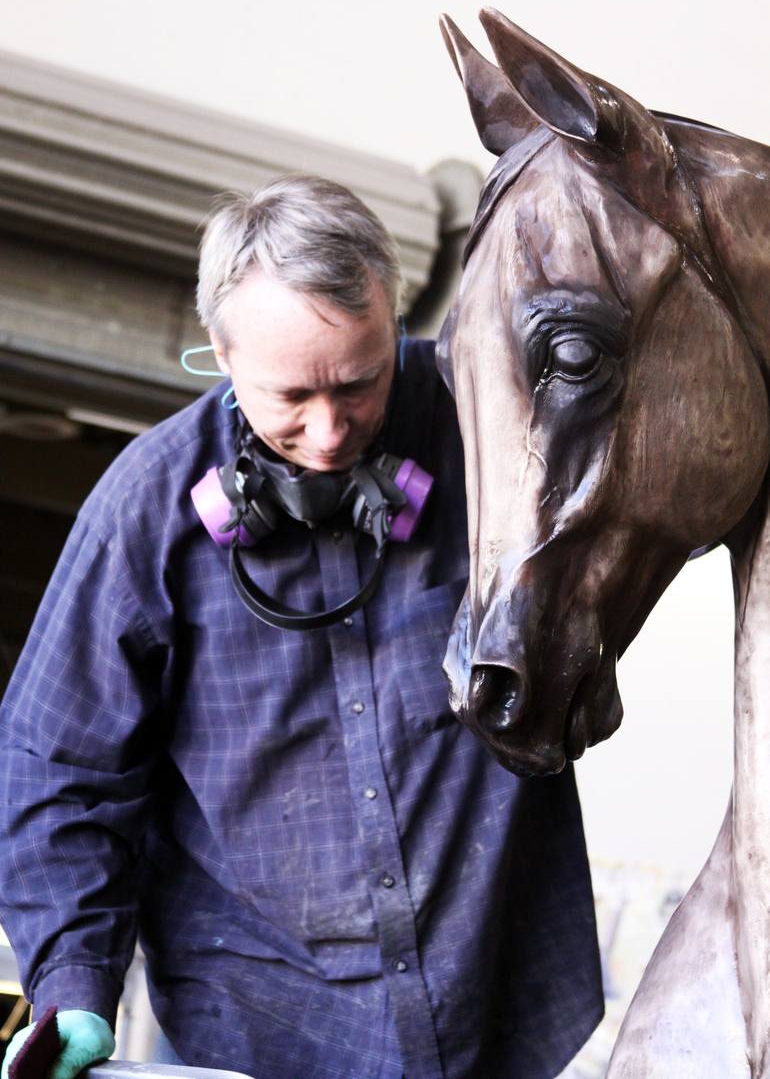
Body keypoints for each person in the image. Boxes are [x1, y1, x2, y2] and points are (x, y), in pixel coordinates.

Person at [0, 176, 603, 1079]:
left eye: (359, 384)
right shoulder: (141, 513)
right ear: (222, 354)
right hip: (259, 1027)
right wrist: (74, 985)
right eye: (290, 399)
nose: (328, 436)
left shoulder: (495, 427)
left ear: (392, 318)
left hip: (502, 997)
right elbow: (62, 771)